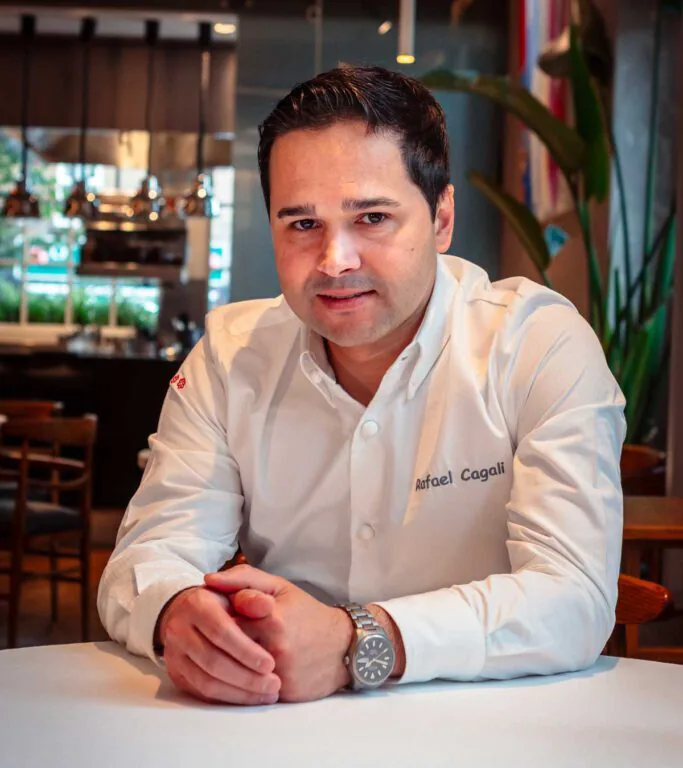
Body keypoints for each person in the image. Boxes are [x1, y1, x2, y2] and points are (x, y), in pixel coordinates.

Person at [98, 65, 626, 706]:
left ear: (441, 218)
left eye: (372, 217)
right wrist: (176, 611)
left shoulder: (536, 347)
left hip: (495, 723)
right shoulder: (232, 358)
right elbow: (149, 555)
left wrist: (360, 641)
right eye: (302, 224)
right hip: (280, 723)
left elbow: (573, 597)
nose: (334, 261)